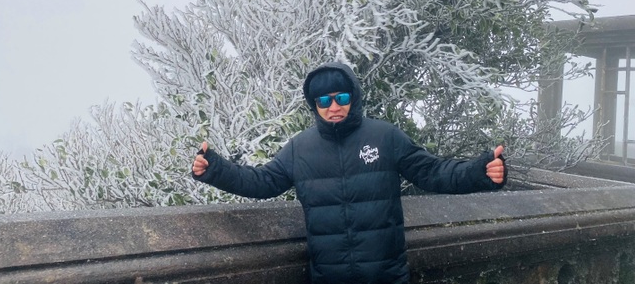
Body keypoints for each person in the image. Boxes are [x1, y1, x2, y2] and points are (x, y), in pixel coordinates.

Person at [192, 61, 506, 284]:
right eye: (323, 100)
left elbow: (434, 172)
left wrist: (480, 171)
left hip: (385, 274)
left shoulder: (385, 137)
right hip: (329, 276)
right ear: (314, 106)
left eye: (341, 97)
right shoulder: (299, 148)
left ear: (352, 97)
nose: (333, 106)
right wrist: (215, 169)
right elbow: (262, 182)